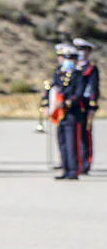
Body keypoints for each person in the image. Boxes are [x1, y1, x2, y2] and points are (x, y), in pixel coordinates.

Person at [45, 44, 86, 180]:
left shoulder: (79, 74)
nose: (67, 60)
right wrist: (48, 104)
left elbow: (79, 94)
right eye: (65, 57)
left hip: (72, 113)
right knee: (62, 142)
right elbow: (53, 89)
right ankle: (65, 168)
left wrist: (65, 103)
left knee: (71, 143)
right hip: (60, 114)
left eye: (70, 58)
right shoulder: (59, 73)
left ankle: (74, 170)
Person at [74, 38, 98, 175]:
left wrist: (92, 107)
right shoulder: (74, 69)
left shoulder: (91, 69)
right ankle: (74, 161)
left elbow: (94, 89)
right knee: (74, 135)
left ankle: (85, 163)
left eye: (83, 50)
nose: (81, 53)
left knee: (85, 135)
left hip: (86, 105)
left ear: (88, 52)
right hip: (75, 105)